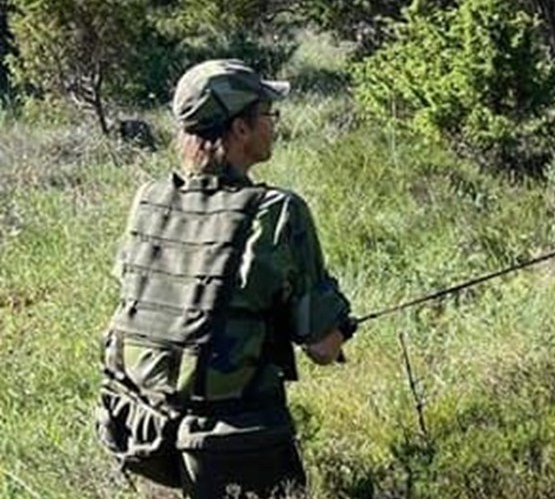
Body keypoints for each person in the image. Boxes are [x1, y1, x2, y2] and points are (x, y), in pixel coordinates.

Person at [94, 59, 359, 498]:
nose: (273, 125)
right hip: (233, 442)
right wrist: (339, 325)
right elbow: (323, 348)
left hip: (144, 430)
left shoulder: (150, 199)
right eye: (267, 115)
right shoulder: (278, 211)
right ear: (240, 129)